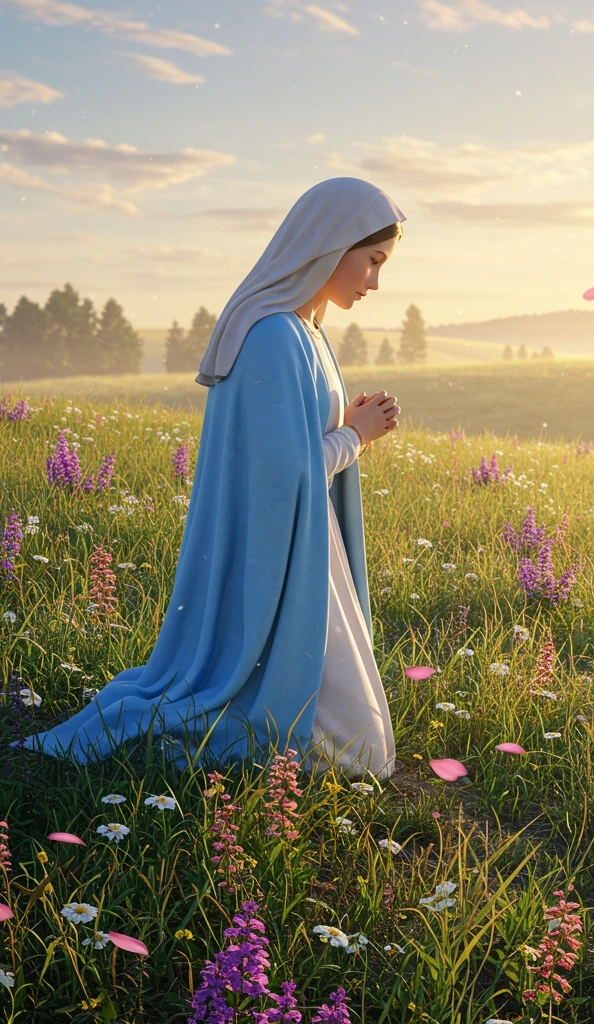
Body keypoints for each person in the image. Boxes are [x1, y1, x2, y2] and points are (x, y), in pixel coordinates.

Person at [16, 177, 406, 783]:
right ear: (331, 244)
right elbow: (283, 475)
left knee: (361, 749)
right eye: (372, 262)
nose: (375, 283)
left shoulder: (308, 331)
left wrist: (347, 426)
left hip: (305, 549)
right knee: (353, 753)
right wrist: (356, 434)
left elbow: (294, 447)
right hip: (279, 559)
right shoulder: (274, 335)